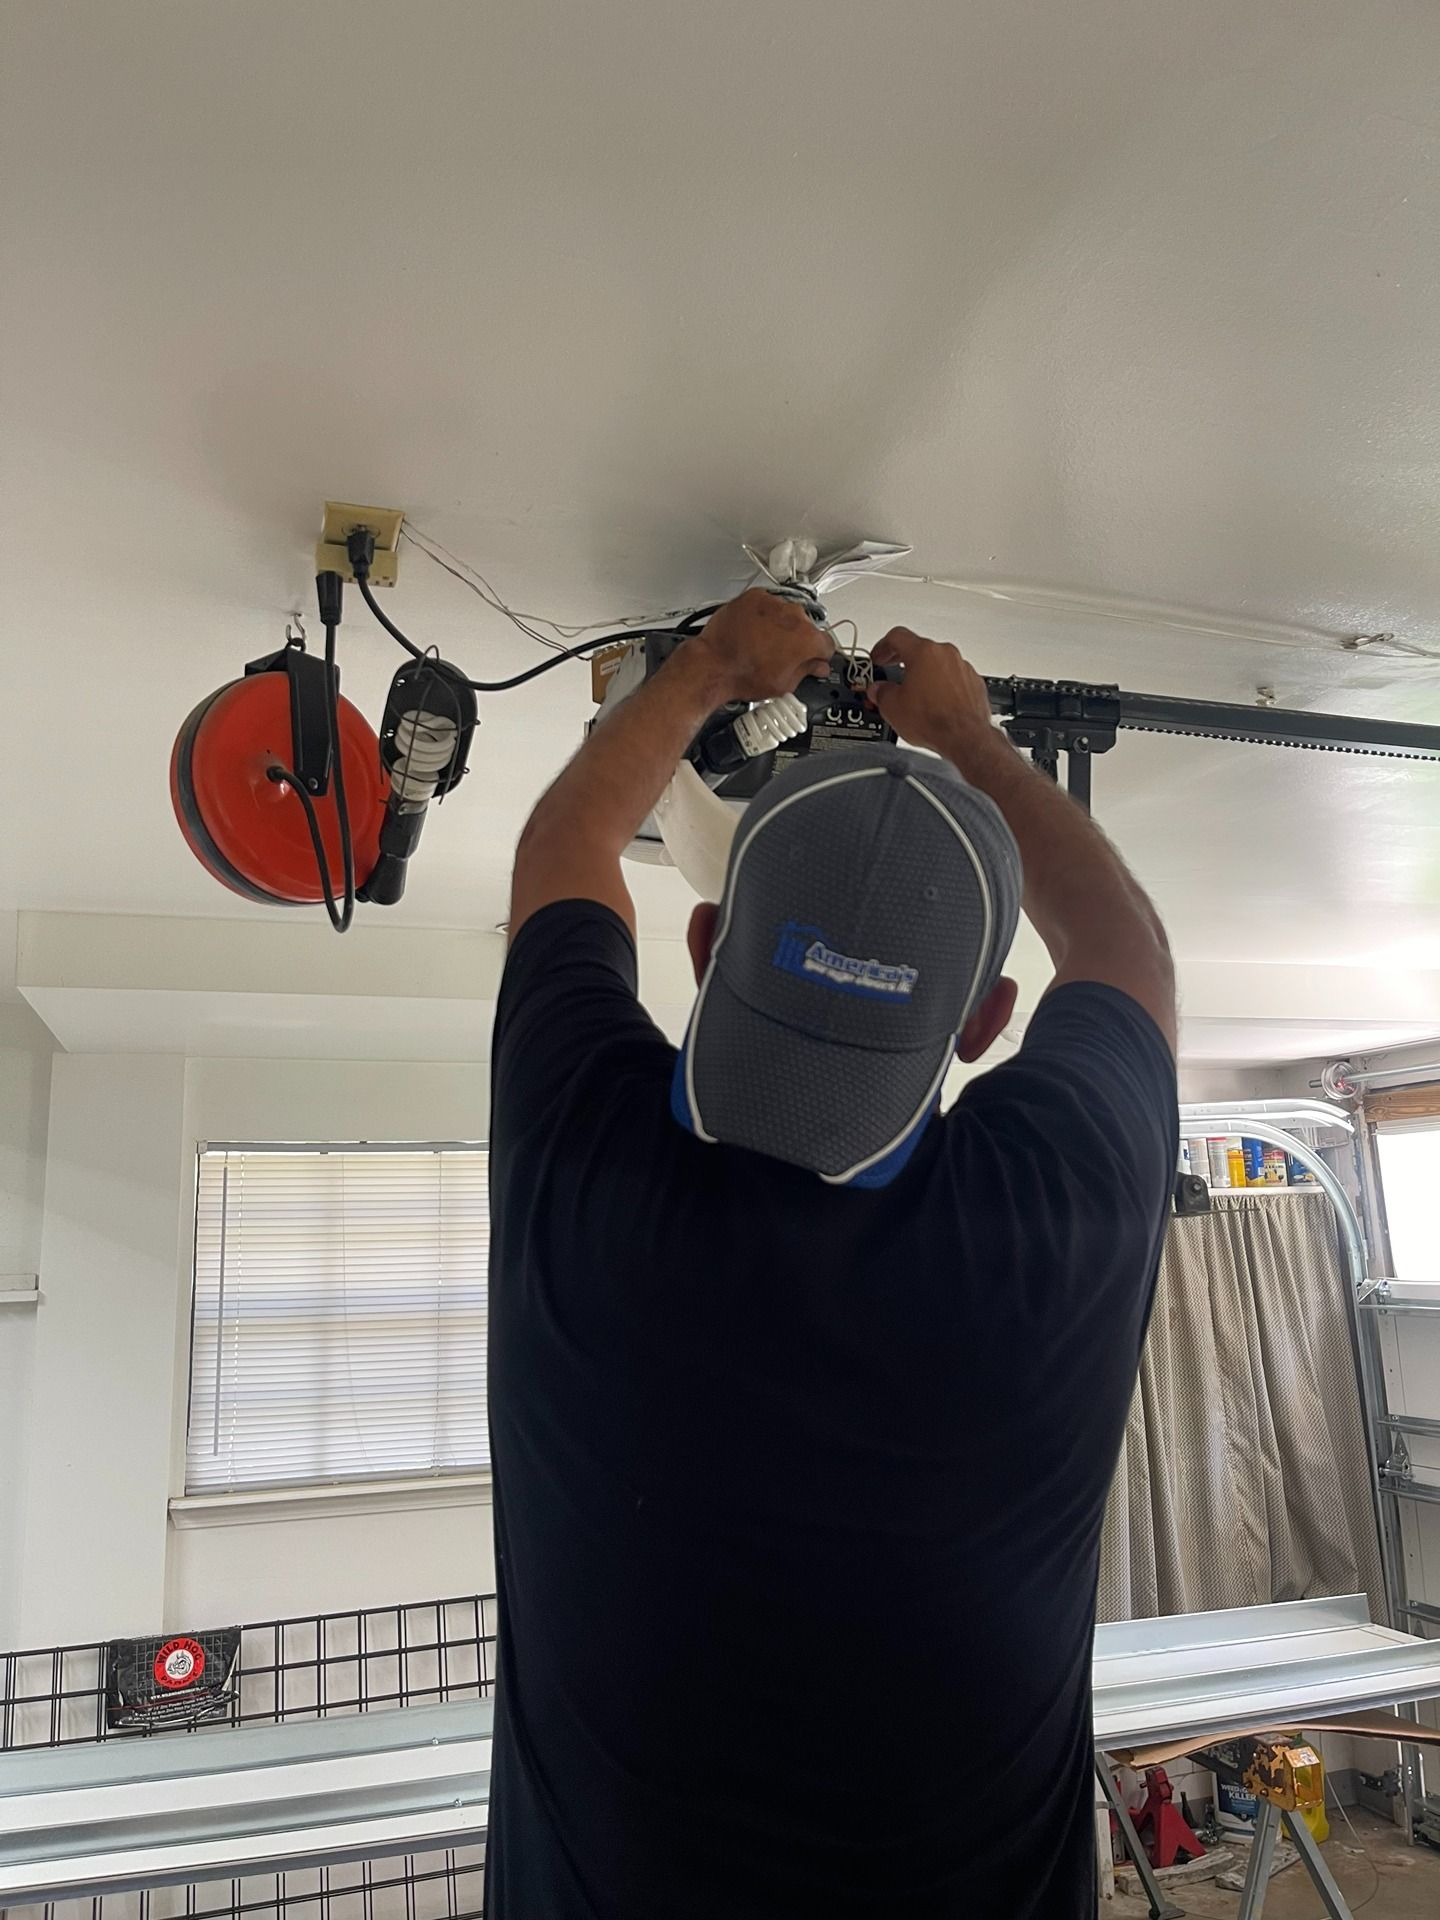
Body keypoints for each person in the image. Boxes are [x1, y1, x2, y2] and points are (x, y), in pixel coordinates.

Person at [485, 587, 1177, 1918]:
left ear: (704, 945)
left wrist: (937, 726)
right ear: (982, 1026)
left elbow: (561, 849)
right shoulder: (1050, 1229)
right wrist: (727, 676)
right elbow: (1125, 948)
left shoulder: (593, 1178)